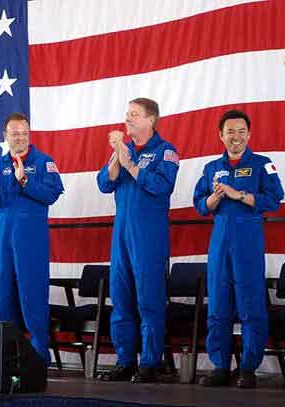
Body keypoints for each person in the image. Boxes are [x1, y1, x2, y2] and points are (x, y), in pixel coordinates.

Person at [193, 110, 284, 388]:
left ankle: (247, 368)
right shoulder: (211, 168)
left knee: (251, 305)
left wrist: (239, 195)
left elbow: (275, 199)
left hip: (248, 242)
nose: (236, 137)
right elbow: (199, 204)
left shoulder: (262, 164)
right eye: (230, 131)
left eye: (241, 131)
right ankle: (220, 366)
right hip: (219, 243)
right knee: (218, 306)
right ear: (221, 135)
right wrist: (211, 200)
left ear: (249, 134)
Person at [96, 98, 179, 383]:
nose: (127, 119)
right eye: (127, 114)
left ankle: (150, 362)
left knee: (149, 301)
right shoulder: (125, 149)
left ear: (151, 120)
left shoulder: (165, 151)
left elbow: (161, 186)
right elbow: (104, 184)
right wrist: (118, 156)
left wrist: (130, 163)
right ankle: (125, 360)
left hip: (149, 235)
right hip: (122, 234)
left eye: (134, 115)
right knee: (121, 299)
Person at [0, 113, 64, 366]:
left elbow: (51, 194)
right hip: (4, 239)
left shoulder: (44, 161)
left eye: (24, 132)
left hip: (32, 240)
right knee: (3, 295)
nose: (20, 137)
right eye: (15, 133)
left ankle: (38, 356)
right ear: (5, 136)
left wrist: (24, 180)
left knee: (32, 294)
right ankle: (3, 356)